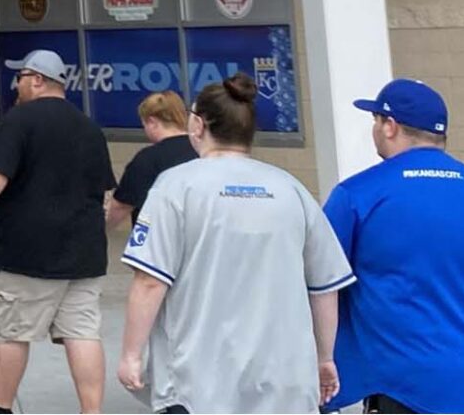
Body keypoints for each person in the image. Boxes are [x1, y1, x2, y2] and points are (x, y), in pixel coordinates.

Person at [118, 74, 353, 414]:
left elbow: (150, 281)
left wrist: (130, 354)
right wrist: (325, 357)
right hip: (284, 382)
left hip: (197, 385)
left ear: (197, 125)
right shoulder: (291, 189)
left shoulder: (174, 187)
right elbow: (324, 286)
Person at [323, 79, 464, 414]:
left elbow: (321, 284)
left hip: (406, 388)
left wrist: (323, 358)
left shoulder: (357, 196)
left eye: (375, 121)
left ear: (389, 126)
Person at [0, 50, 114, 415]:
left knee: (13, 330)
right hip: (83, 254)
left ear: (39, 80)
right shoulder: (89, 127)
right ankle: (93, 411)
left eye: (21, 77)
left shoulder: (20, 120)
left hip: (28, 254)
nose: (17, 85)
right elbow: (102, 188)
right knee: (82, 332)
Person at [108, 91, 195, 229]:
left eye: (144, 125)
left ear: (152, 122)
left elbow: (120, 207)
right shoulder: (204, 150)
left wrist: (99, 229)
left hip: (158, 238)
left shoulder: (147, 159)